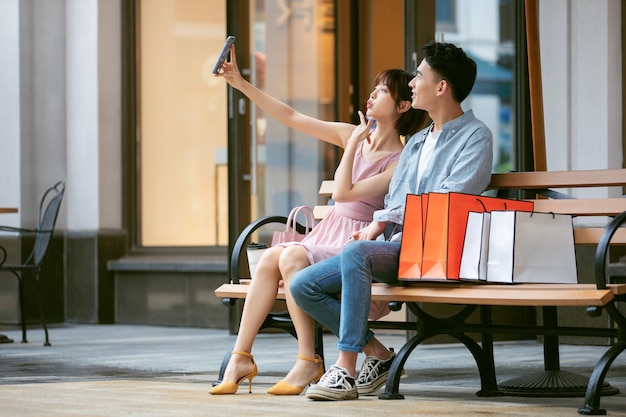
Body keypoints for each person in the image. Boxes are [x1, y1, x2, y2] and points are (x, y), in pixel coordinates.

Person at [209, 44, 428, 395]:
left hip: (357, 243)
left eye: (382, 90)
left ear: (403, 106)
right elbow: (292, 117)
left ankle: (308, 359)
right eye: (374, 88)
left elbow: (343, 194)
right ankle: (241, 355)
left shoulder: (398, 160)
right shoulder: (353, 135)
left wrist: (354, 143)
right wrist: (242, 84)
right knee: (270, 257)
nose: (372, 94)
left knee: (292, 256)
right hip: (328, 234)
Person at [290, 40, 494, 401]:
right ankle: (378, 355)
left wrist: (387, 221)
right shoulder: (416, 142)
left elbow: (453, 195)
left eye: (419, 76)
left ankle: (345, 369)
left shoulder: (475, 136)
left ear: (441, 87)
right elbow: (398, 198)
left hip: (441, 248)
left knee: (357, 255)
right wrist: (378, 224)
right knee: (303, 285)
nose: (413, 83)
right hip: (402, 247)